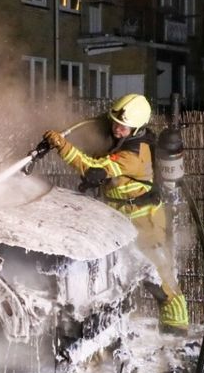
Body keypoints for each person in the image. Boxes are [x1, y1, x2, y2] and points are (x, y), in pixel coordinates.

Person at [27, 94, 189, 335]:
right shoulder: (131, 137)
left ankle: (177, 333)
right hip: (124, 218)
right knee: (118, 272)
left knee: (158, 276)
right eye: (114, 122)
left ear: (137, 127)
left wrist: (62, 146)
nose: (116, 128)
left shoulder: (132, 156)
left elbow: (93, 171)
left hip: (144, 221)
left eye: (122, 126)